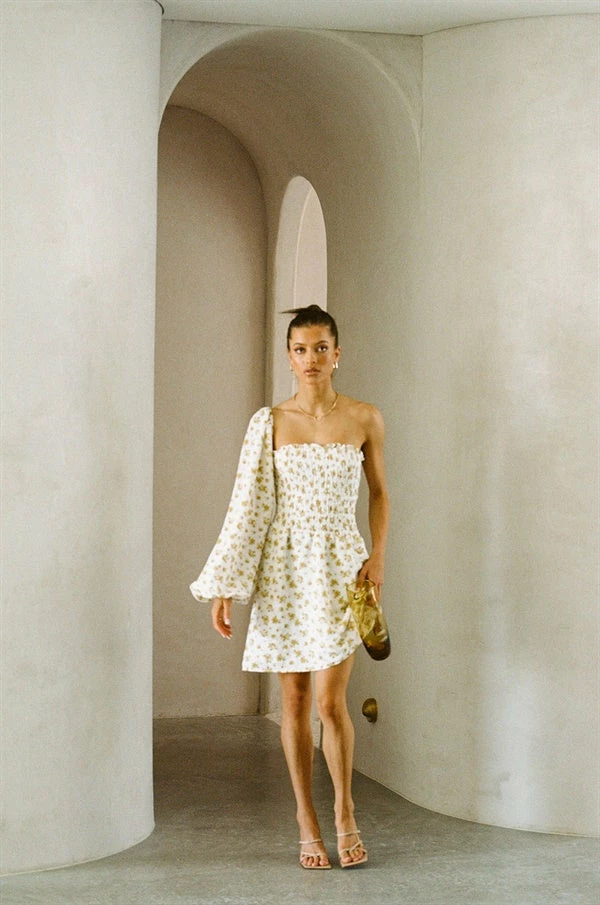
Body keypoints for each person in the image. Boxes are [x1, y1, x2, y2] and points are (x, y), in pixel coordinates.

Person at [190, 304, 389, 870]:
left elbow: (380, 493)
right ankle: (306, 819)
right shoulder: (269, 422)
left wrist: (377, 557)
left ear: (337, 353)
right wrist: (225, 584)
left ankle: (345, 810)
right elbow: (248, 507)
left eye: (321, 348)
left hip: (343, 568)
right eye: (300, 350)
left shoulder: (365, 417)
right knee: (296, 701)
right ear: (289, 356)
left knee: (331, 701)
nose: (311, 359)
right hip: (284, 572)